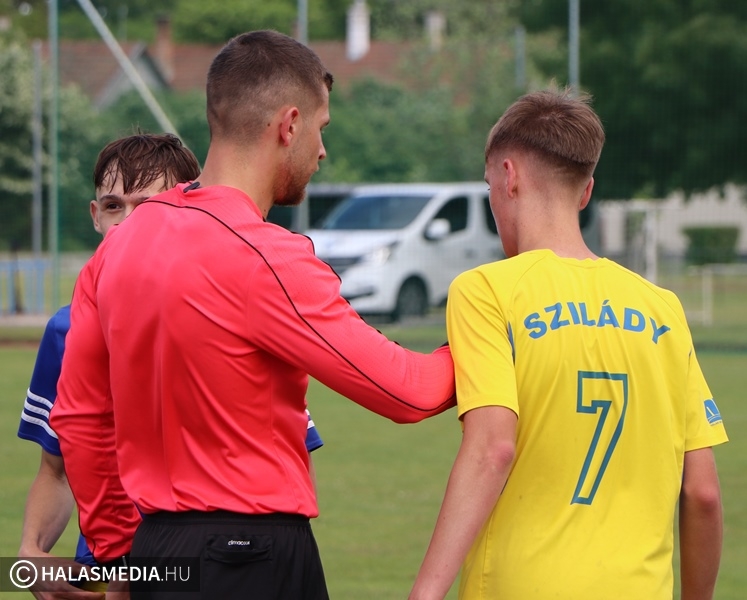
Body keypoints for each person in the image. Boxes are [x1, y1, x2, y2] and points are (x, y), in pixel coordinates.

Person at [50, 30, 456, 600]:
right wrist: (501, 338)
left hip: (157, 549)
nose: (321, 150)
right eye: (321, 128)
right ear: (289, 125)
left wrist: (118, 558)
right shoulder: (265, 256)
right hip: (249, 556)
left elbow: (81, 418)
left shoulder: (118, 246)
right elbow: (408, 391)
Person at [409, 89, 728, 600]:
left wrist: (424, 594)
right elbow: (704, 494)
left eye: (489, 186)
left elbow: (493, 448)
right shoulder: (663, 309)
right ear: (586, 192)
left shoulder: (487, 290)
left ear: (508, 177)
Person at [16, 133, 201, 599]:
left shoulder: (227, 318)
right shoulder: (64, 331)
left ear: (191, 211)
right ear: (96, 216)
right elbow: (57, 471)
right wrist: (30, 553)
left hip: (203, 568)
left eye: (149, 206)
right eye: (114, 206)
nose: (126, 222)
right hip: (103, 570)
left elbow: (290, 458)